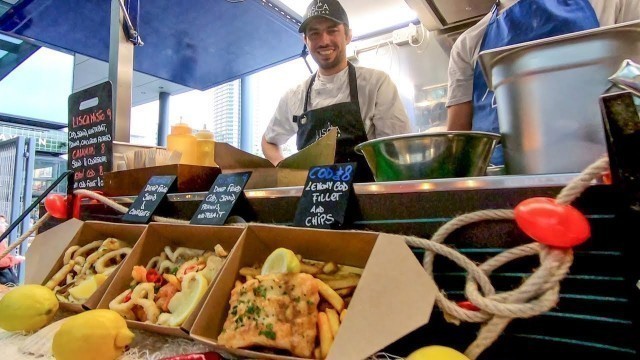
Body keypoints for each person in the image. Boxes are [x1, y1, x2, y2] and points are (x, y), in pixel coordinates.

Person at [446, 0, 640, 165]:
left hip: (600, 178)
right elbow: (457, 146)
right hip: (500, 190)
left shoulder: (614, 3)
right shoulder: (467, 45)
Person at [261, 0, 411, 182]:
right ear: (305, 40)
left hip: (364, 202)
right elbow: (269, 141)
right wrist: (287, 173)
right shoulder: (294, 96)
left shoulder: (376, 84)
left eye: (332, 30)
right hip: (315, 204)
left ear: (348, 35)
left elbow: (397, 150)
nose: (324, 41)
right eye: (314, 33)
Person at [0, 214, 20, 285]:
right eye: (2, 223)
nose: (5, 225)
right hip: (4, 276)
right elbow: (2, 262)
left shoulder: (2, 240)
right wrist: (15, 259)